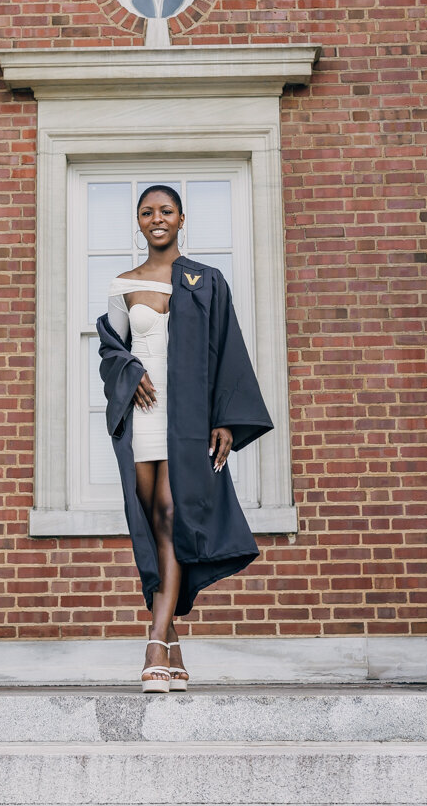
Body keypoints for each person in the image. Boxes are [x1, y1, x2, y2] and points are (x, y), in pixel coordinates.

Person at [96, 184, 274, 692]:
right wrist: (129, 370)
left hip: (189, 419)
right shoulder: (122, 284)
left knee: (174, 515)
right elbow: (111, 351)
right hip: (142, 416)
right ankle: (173, 644)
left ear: (180, 219)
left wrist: (226, 420)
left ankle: (155, 643)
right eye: (147, 212)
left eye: (166, 211)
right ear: (138, 221)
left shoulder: (206, 281)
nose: (157, 218)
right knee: (151, 523)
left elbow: (228, 349)